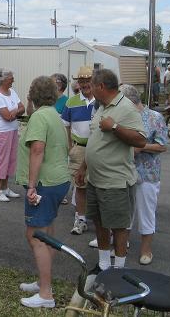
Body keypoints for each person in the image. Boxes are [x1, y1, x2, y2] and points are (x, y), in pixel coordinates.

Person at [75, 69, 146, 271]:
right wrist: (83, 166)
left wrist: (115, 127)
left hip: (115, 181)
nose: (89, 89)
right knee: (99, 222)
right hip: (96, 180)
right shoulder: (102, 107)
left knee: (119, 226)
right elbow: (95, 140)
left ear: (101, 86)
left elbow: (141, 139)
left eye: (92, 85)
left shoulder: (126, 108)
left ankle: (119, 268)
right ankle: (104, 263)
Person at [16, 76, 70, 309]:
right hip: (58, 181)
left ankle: (46, 294)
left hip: (44, 184)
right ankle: (43, 282)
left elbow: (37, 150)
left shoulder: (39, 117)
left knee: (35, 236)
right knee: (46, 232)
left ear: (32, 95)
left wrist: (31, 185)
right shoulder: (54, 115)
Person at [119, 84, 167, 265]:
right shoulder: (124, 117)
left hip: (147, 174)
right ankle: (123, 244)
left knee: (146, 212)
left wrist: (141, 146)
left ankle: (146, 250)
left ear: (131, 101)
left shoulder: (155, 117)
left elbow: (162, 146)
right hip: (125, 172)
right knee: (125, 212)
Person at [61, 65, 96, 235]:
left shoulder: (102, 100)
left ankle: (101, 224)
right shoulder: (71, 102)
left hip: (98, 150)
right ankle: (80, 219)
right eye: (81, 81)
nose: (84, 84)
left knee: (98, 186)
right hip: (79, 148)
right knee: (80, 185)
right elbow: (65, 126)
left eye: (87, 80)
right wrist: (69, 147)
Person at [0, 68, 25, 202]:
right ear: (3, 80)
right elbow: (6, 116)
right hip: (2, 131)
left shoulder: (12, 92)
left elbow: (21, 107)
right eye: (11, 78)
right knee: (1, 160)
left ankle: (5, 188)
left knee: (10, 160)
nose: (13, 80)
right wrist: (17, 111)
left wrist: (14, 111)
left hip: (12, 129)